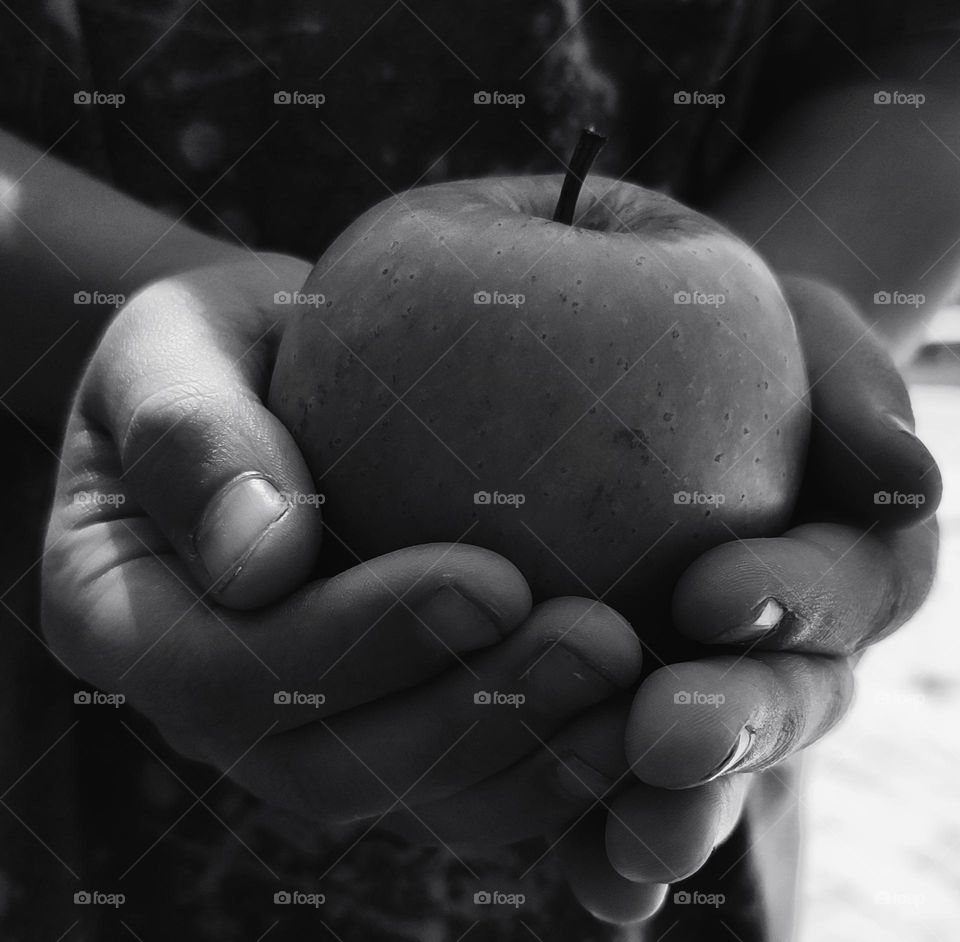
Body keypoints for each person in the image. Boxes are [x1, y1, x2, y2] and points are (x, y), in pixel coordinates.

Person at [0, 1, 951, 938]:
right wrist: (164, 345)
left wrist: (774, 338)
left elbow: (924, 49)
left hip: (664, 714)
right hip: (93, 574)